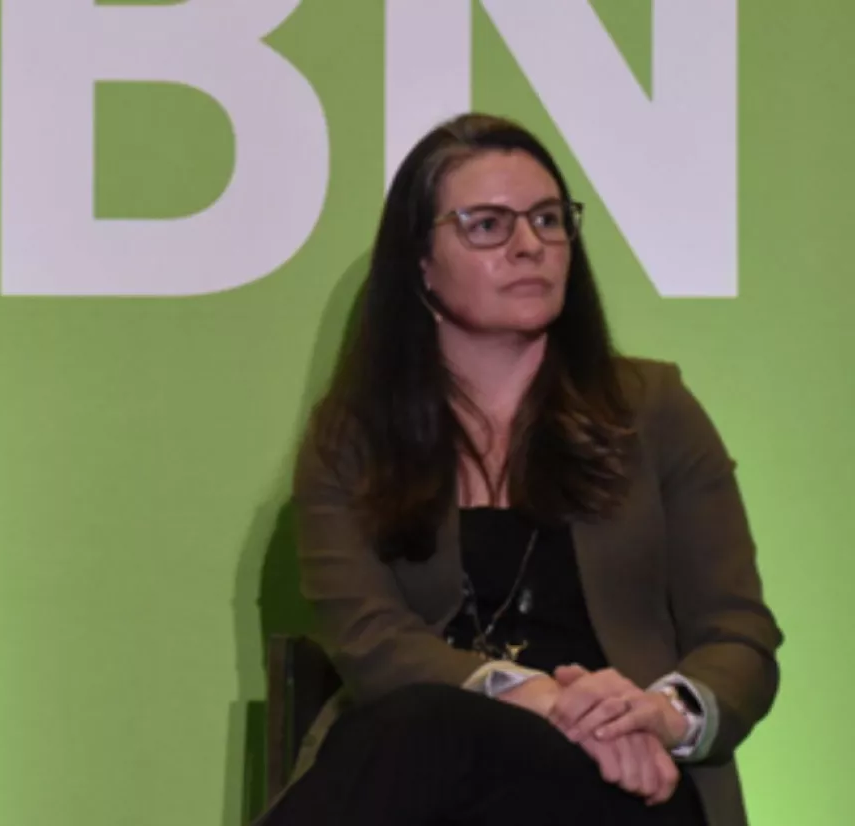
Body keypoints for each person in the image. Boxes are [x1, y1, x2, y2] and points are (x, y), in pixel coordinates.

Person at [257, 113, 781, 826]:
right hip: (431, 776)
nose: (530, 245)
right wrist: (529, 692)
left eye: (547, 219)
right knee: (430, 726)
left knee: (427, 733)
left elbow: (737, 635)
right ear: (419, 262)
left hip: (628, 780)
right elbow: (369, 638)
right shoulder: (351, 438)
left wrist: (658, 715)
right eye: (487, 225)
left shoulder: (654, 410)